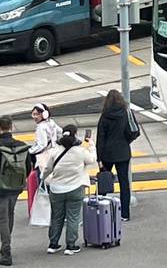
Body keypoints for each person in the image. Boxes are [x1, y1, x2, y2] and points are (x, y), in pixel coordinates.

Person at [0, 115, 32, 266]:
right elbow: (27, 168)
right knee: (9, 215)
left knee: (2, 219)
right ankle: (6, 242)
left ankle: (6, 251)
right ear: (12, 127)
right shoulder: (21, 145)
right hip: (15, 188)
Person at [42, 124, 95, 255]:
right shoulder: (80, 151)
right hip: (75, 188)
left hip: (56, 189)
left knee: (56, 217)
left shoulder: (55, 151)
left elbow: (48, 169)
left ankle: (53, 244)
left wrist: (42, 179)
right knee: (73, 217)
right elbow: (92, 159)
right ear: (75, 134)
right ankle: (70, 246)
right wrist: (92, 145)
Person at [96, 89, 136, 221]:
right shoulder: (126, 113)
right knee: (124, 183)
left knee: (104, 181)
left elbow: (100, 138)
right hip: (123, 152)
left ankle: (101, 209)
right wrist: (126, 141)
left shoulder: (105, 116)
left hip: (107, 153)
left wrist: (99, 158)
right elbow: (133, 131)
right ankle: (125, 214)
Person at [26, 103, 61, 218]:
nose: (34, 117)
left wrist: (30, 151)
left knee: (44, 185)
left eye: (36, 114)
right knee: (54, 183)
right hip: (54, 155)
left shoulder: (41, 127)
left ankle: (47, 212)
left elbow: (42, 144)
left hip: (43, 159)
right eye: (33, 114)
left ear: (43, 114)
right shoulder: (51, 123)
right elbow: (60, 132)